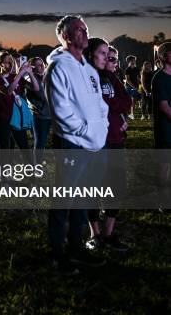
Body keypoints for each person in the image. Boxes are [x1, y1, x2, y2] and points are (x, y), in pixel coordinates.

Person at [45, 15, 108, 274]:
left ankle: (76, 248)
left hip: (90, 143)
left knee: (82, 199)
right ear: (65, 36)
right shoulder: (58, 67)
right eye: (79, 30)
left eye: (86, 29)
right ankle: (57, 254)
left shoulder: (87, 69)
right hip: (71, 144)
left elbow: (98, 104)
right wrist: (85, 132)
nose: (85, 33)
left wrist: (99, 129)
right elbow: (61, 110)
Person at [83, 38, 130, 252]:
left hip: (115, 139)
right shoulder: (87, 76)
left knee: (117, 186)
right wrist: (113, 109)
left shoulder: (111, 77)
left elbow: (127, 101)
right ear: (92, 54)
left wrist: (114, 111)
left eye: (112, 58)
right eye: (105, 56)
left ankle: (109, 233)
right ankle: (95, 234)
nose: (110, 61)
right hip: (95, 141)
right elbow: (94, 104)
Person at [0, 51, 38, 172]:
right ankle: (4, 178)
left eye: (11, 62)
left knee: (24, 146)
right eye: (6, 63)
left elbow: (36, 88)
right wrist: (20, 73)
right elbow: (8, 91)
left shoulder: (15, 77)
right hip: (1, 116)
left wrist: (30, 73)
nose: (10, 65)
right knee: (4, 147)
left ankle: (33, 180)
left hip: (15, 117)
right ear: (0, 64)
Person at [25, 57, 51, 157]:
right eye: (39, 65)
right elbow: (41, 94)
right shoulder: (30, 79)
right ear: (33, 67)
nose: (42, 66)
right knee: (40, 144)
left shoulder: (47, 77)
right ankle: (37, 169)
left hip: (51, 114)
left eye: (43, 63)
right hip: (40, 116)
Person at [152, 42, 171, 149]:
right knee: (166, 164)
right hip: (166, 131)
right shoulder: (159, 79)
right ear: (162, 57)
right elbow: (164, 107)